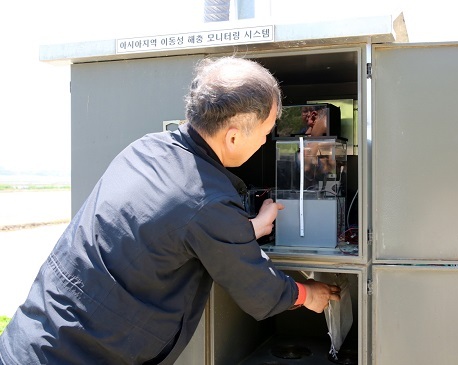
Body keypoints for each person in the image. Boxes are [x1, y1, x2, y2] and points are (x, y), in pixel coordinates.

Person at [0, 56, 341, 365]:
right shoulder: (208, 200)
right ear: (234, 137)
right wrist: (308, 294)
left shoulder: (146, 148)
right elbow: (258, 290)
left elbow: (170, 230)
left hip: (32, 338)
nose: (266, 142)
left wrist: (248, 227)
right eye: (266, 133)